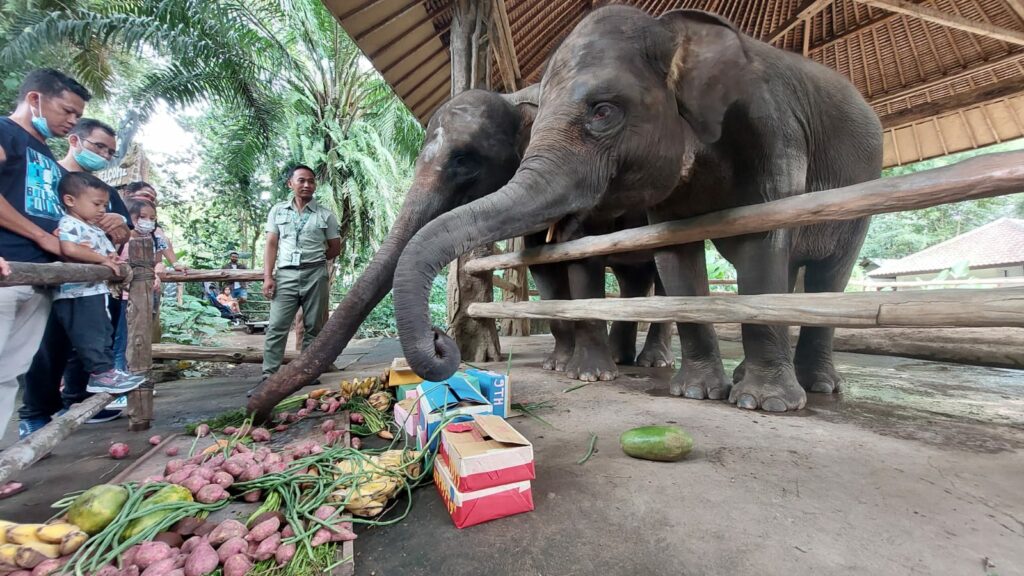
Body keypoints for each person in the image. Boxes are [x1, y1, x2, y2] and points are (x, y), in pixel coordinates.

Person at [19, 118, 131, 433]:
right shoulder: (46, 174)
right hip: (46, 272)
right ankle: (35, 415)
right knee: (46, 349)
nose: (105, 155)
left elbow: (124, 233)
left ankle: (80, 400)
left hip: (92, 283)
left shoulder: (106, 192)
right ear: (74, 140)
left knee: (93, 341)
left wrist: (115, 223)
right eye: (99, 147)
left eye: (110, 152)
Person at [0, 69, 90, 440]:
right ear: (35, 99)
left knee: (8, 374)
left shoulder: (46, 156)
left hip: (37, 278)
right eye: (67, 110)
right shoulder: (6, 132)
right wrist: (41, 236)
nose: (71, 120)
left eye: (77, 116)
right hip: (7, 268)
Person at [45, 172, 145, 397]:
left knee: (102, 330)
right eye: (97, 204)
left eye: (105, 204)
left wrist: (113, 259)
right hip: (76, 293)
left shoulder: (94, 228)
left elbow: (107, 250)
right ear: (70, 200)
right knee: (90, 334)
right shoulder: (70, 224)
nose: (102, 209)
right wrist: (102, 260)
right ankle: (101, 373)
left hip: (94, 291)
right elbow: (70, 249)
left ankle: (106, 371)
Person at [253, 165, 339, 393]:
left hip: (315, 274)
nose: (307, 185)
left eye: (311, 181)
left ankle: (307, 373)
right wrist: (268, 277)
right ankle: (269, 374)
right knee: (277, 326)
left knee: (314, 327)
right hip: (286, 275)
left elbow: (334, 248)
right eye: (301, 180)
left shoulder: (325, 215)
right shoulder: (278, 211)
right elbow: (271, 244)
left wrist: (314, 260)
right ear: (290, 183)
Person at [112, 199, 166, 372]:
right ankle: (120, 380)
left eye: (152, 218)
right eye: (142, 217)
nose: (147, 221)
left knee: (138, 338)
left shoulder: (153, 240)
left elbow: (158, 263)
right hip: (122, 297)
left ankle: (134, 378)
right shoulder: (120, 239)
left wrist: (156, 274)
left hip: (144, 298)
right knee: (120, 341)